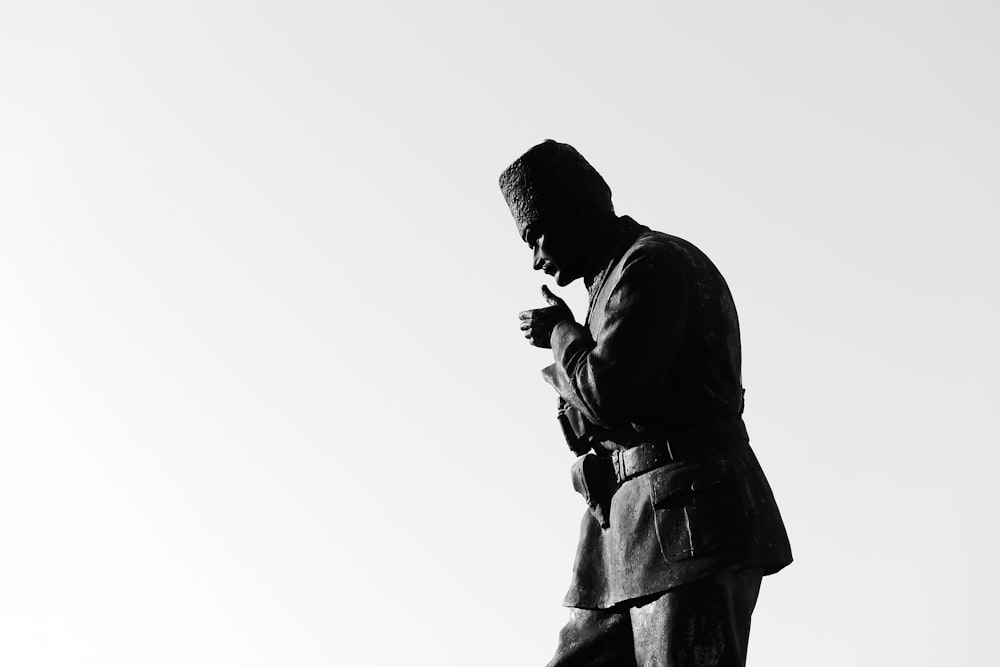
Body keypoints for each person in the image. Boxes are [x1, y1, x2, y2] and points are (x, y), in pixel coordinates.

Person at [499, 140, 792, 667]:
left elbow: (607, 394)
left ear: (573, 208)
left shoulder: (650, 266)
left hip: (686, 526)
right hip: (624, 537)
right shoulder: (611, 283)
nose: (537, 258)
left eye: (537, 236)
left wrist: (562, 334)